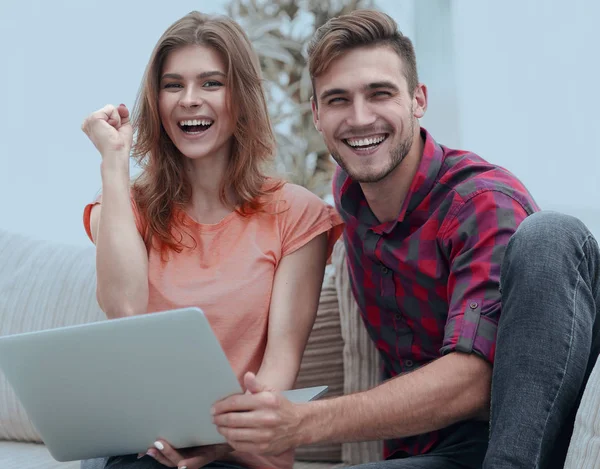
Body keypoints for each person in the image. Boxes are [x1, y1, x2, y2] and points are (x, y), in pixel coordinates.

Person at [211, 9, 600, 469]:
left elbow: (477, 382)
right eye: (338, 100)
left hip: (506, 439)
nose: (359, 119)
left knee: (553, 234)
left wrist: (304, 422)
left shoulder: (481, 203)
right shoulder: (348, 194)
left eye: (380, 94)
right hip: (421, 453)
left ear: (418, 99)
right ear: (316, 114)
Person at [79, 11, 342, 469]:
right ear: (156, 100)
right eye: (173, 85)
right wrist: (114, 161)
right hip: (143, 446)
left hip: (242, 451)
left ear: (240, 97)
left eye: (212, 84)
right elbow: (122, 309)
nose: (190, 100)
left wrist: (219, 443)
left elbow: (279, 368)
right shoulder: (122, 205)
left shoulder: (296, 214)